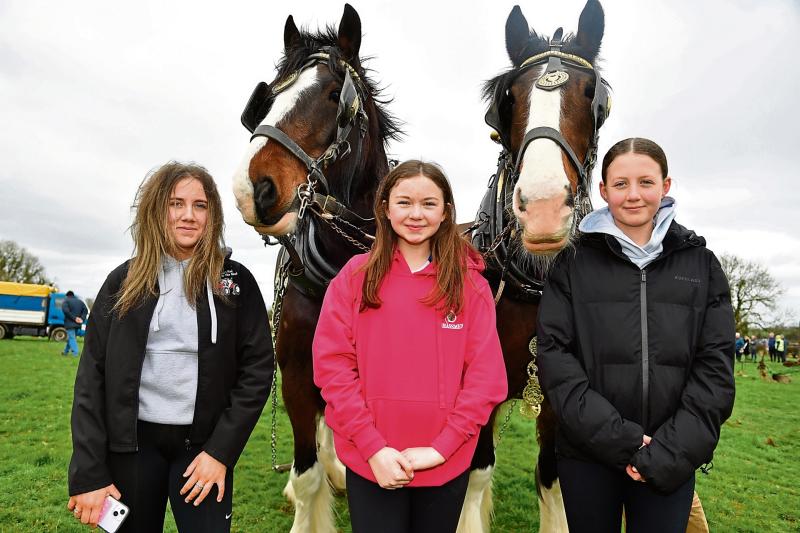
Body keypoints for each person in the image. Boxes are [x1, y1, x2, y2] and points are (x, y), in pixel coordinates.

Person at [537, 138, 735, 533]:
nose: (633, 195)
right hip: (588, 455)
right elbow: (555, 358)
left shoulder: (701, 263)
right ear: (603, 190)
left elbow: (715, 366)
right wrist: (623, 441)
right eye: (621, 184)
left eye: (645, 182)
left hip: (670, 458)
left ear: (665, 185)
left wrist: (670, 450)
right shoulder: (572, 262)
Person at [67, 162, 273, 532]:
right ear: (157, 209)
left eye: (200, 205)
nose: (188, 215)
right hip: (131, 449)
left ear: (212, 215)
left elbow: (258, 370)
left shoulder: (236, 282)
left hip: (202, 452)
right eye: (176, 203)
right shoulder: (122, 281)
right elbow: (91, 378)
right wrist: (88, 474)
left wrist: (220, 452)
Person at [312, 160, 507, 533]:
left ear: (446, 212)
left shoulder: (471, 287)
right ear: (385, 208)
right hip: (372, 463)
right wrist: (373, 447)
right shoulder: (354, 278)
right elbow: (333, 368)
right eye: (404, 202)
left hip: (444, 464)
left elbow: (485, 379)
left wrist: (440, 448)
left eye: (429, 204)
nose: (416, 214)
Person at [61, 290, 88, 356]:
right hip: (78, 324)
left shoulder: (66, 301)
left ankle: (75, 353)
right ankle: (65, 352)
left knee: (72, 338)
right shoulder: (80, 302)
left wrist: (74, 318)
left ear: (67, 295)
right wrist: (82, 318)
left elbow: (66, 311)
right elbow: (86, 310)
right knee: (71, 337)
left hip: (70, 323)